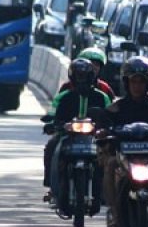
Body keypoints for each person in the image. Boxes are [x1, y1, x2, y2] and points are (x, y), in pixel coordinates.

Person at [99, 56, 148, 227]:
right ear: (126, 83)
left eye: (141, 81)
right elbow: (104, 124)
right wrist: (102, 132)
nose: (137, 86)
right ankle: (115, 212)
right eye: (133, 81)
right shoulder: (117, 107)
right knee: (109, 166)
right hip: (125, 157)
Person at [43, 58, 111, 202]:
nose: (82, 80)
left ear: (91, 76)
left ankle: (107, 189)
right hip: (68, 136)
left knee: (110, 154)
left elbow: (109, 116)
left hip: (95, 137)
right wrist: (52, 124)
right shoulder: (64, 97)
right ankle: (51, 185)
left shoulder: (101, 97)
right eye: (78, 76)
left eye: (85, 76)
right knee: (51, 146)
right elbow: (53, 114)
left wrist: (106, 128)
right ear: (72, 77)